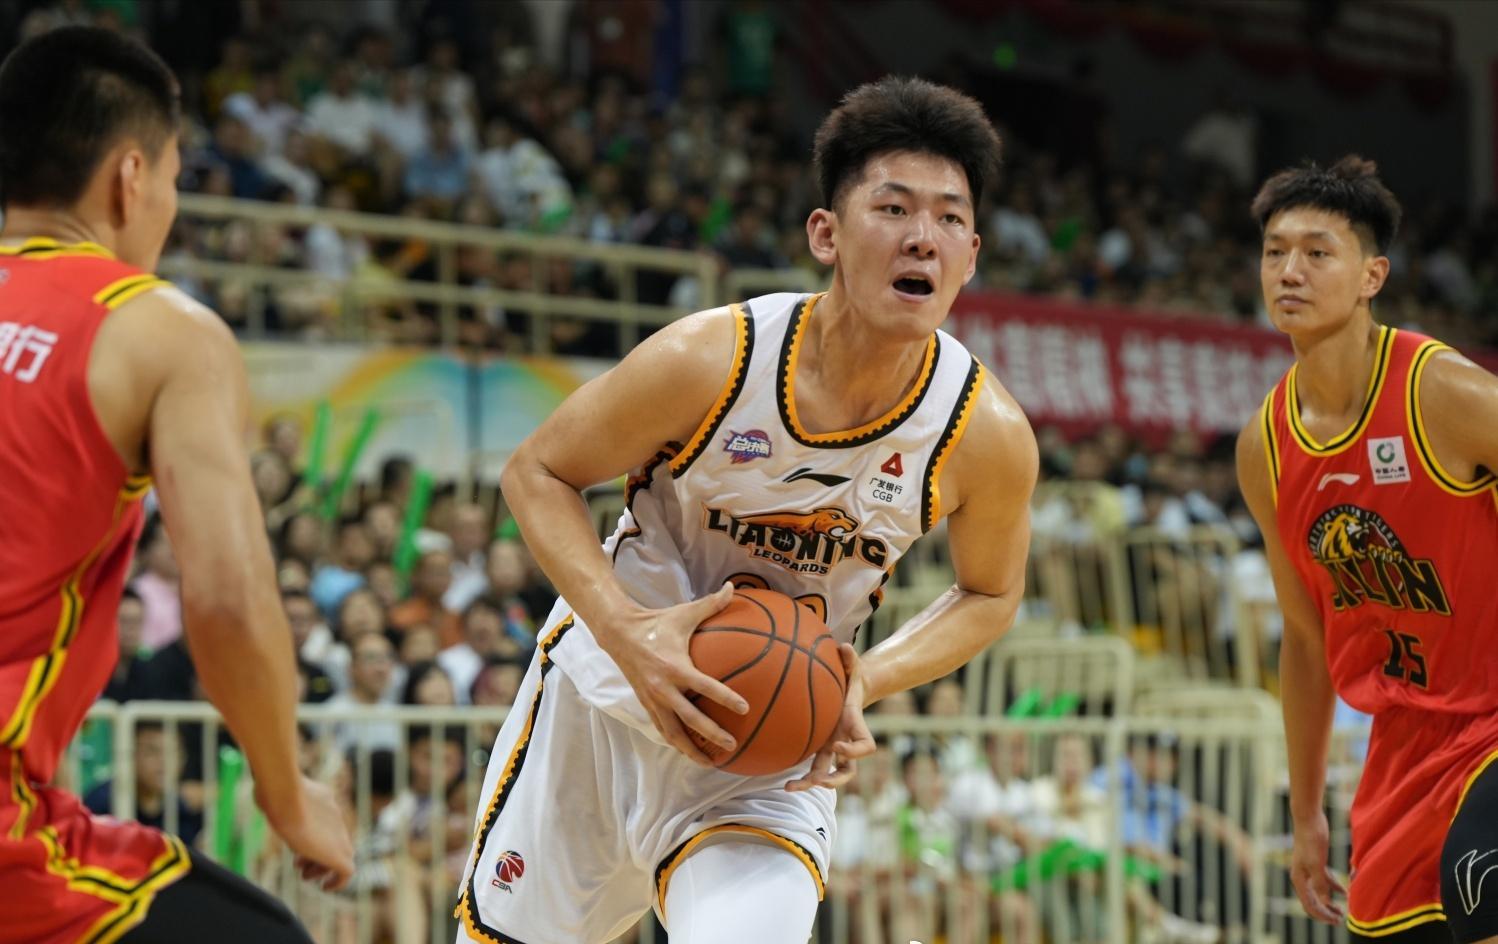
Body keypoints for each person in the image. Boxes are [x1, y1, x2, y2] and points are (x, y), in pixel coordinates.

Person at [455, 76, 1038, 944]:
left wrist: (865, 679)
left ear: (973, 254)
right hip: (604, 703)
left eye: (950, 219)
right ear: (826, 233)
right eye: (894, 208)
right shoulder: (714, 358)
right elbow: (536, 471)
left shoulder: (984, 432)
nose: (924, 236)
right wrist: (626, 630)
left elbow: (990, 593)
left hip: (768, 756)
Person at [0, 27, 352, 944]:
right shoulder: (157, 330)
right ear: (130, 177)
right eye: (173, 176)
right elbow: (228, 599)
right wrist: (288, 793)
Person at [1237, 155, 1498, 944]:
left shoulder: (1440, 392)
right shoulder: (1266, 447)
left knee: (1481, 881)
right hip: (1404, 744)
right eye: (1275, 252)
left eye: (1318, 253)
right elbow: (1306, 640)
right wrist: (1305, 812)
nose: (1290, 270)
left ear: (1370, 276)